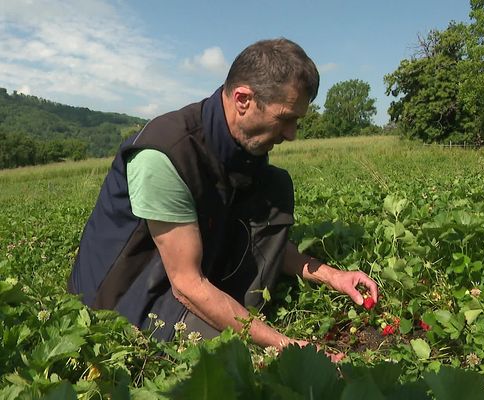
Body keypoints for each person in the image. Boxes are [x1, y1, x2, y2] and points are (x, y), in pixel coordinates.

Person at [68, 38, 378, 357]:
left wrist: (333, 276)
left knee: (274, 185)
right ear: (243, 99)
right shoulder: (165, 154)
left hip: (186, 270)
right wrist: (290, 347)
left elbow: (259, 236)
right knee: (242, 361)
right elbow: (188, 286)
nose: (291, 134)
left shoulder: (244, 144)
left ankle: (239, 312)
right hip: (125, 295)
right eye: (285, 118)